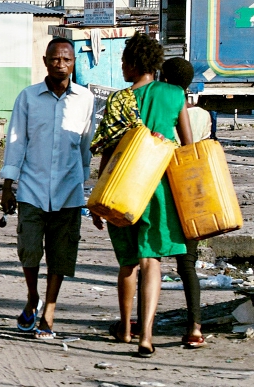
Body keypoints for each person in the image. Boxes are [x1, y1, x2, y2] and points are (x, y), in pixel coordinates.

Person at [90, 33, 193, 358]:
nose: (121, 65)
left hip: (122, 188)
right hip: (160, 188)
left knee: (128, 264)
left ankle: (124, 327)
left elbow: (107, 154)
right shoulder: (175, 94)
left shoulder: (119, 101)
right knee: (152, 261)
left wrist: (97, 199)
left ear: (135, 64)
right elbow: (188, 149)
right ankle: (145, 336)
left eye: (123, 60)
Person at [0, 37, 96, 340]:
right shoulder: (28, 98)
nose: (60, 64)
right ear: (45, 61)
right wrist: (7, 185)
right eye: (55, 59)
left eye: (66, 59)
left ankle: (49, 311)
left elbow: (85, 146)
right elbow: (16, 141)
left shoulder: (85, 99)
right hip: (31, 187)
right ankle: (32, 297)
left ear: (73, 63)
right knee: (29, 250)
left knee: (61, 253)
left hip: (69, 190)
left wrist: (84, 187)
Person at [160, 57, 210, 349]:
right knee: (187, 265)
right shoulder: (203, 115)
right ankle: (195, 325)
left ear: (163, 79)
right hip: (191, 189)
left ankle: (142, 323)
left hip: (165, 186)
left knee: (149, 259)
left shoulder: (161, 104)